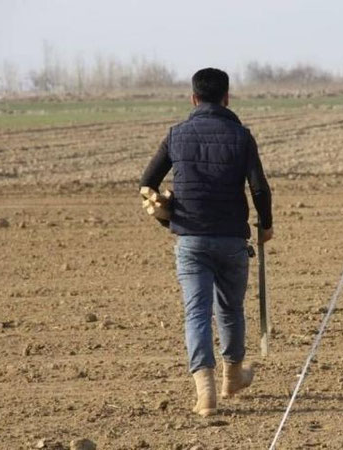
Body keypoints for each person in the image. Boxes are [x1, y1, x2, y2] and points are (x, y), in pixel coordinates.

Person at [139, 68, 274, 416]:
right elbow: (259, 187)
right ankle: (233, 378)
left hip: (191, 238)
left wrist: (164, 215)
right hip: (231, 237)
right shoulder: (241, 137)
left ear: (193, 98)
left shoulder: (176, 134)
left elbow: (147, 182)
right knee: (230, 309)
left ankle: (206, 393)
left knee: (196, 313)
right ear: (227, 98)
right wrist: (266, 224)